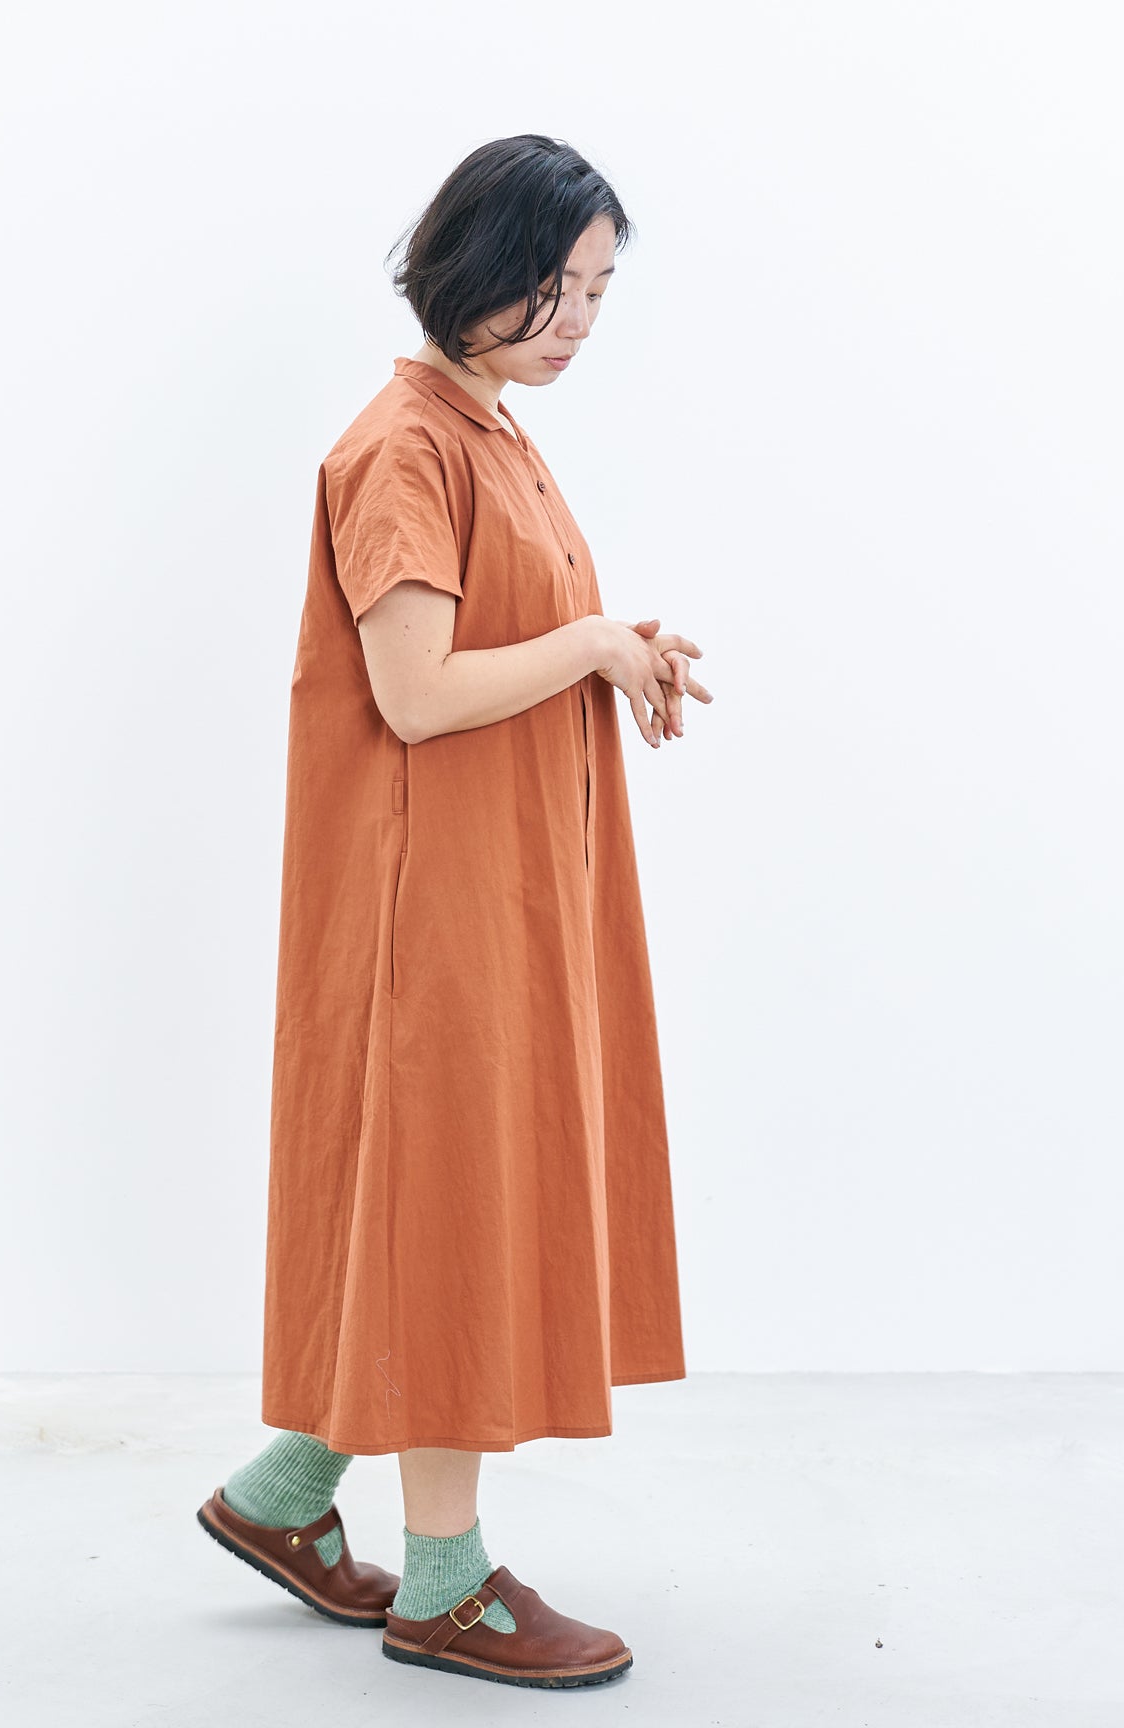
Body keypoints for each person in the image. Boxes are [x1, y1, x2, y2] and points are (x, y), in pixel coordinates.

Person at [198, 133, 713, 1689]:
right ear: (474, 267)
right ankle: (446, 1587)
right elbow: (416, 694)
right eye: (553, 286)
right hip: (429, 911)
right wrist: (594, 648)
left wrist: (615, 643)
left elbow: (500, 638)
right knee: (448, 1210)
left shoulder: (489, 429)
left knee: (448, 1198)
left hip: (494, 891)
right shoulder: (404, 447)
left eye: (599, 293)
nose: (577, 322)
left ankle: (284, 1497)